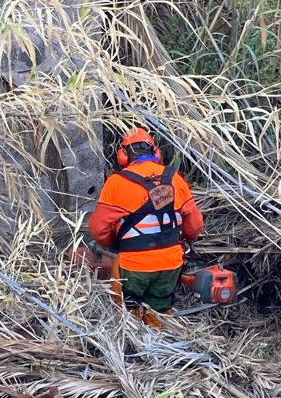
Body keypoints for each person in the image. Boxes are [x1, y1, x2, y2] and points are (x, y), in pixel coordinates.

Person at [86, 127, 204, 315]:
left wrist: (115, 245)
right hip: (171, 262)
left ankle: (133, 341)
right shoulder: (174, 178)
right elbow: (195, 224)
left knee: (128, 312)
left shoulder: (117, 182)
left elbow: (98, 229)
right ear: (156, 152)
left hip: (134, 265)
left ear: (123, 155)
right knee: (160, 312)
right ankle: (159, 339)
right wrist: (185, 240)